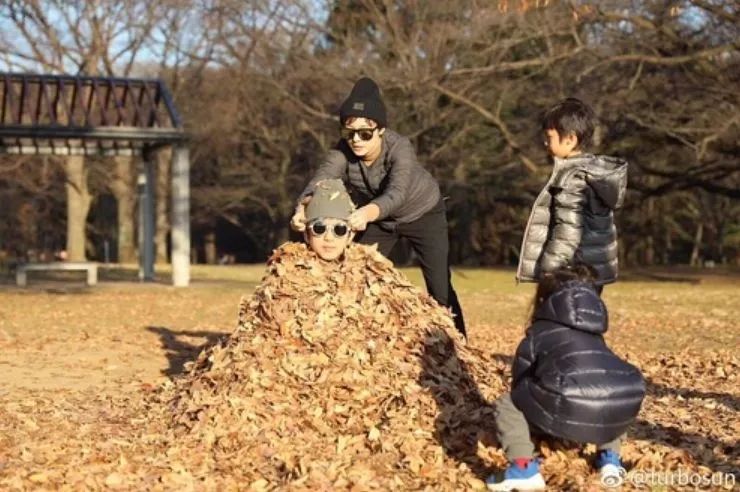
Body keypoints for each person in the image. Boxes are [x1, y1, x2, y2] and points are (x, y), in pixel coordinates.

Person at [291, 77, 466, 336]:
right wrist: (302, 208)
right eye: (349, 133)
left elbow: (397, 193)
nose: (356, 140)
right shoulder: (341, 153)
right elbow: (321, 181)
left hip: (423, 213)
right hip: (381, 221)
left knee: (439, 286)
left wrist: (367, 213)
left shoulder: (400, 148)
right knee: (356, 273)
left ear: (381, 130)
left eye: (365, 133)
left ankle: (458, 345)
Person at [486, 264, 645, 491]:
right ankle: (610, 460)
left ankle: (523, 468)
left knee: (508, 404)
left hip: (563, 405)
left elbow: (520, 382)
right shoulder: (595, 332)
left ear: (546, 300)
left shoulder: (539, 333)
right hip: (619, 404)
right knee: (607, 392)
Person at [516, 98, 628, 293]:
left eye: (549, 137)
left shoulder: (572, 179)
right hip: (593, 269)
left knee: (564, 319)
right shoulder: (595, 173)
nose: (545, 143)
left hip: (571, 271)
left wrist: (550, 270)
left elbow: (568, 231)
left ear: (570, 139)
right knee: (586, 316)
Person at [302, 178, 356, 262]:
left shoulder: (372, 273)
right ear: (306, 234)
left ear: (350, 236)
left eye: (339, 229)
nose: (329, 238)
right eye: (319, 228)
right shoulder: (284, 271)